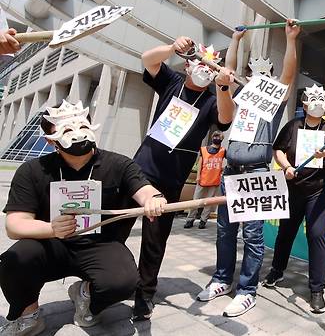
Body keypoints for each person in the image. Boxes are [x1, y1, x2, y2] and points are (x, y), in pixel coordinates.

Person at [0, 100, 167, 335]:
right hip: (49, 244)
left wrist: (154, 198)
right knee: (15, 259)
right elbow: (14, 225)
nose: (77, 134)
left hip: (101, 244)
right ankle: (29, 315)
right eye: (67, 129)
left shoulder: (119, 164)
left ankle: (86, 297)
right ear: (50, 140)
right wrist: (51, 229)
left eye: (81, 125)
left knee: (123, 281)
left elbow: (144, 190)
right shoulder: (31, 170)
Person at [196, 20, 300, 317]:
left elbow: (289, 75)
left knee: (252, 235)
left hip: (256, 172)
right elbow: (226, 75)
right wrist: (236, 40)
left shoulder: (272, 103)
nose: (258, 79)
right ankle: (221, 279)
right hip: (231, 169)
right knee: (225, 231)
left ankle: (247, 290)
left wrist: (290, 40)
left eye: (264, 75)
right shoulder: (240, 101)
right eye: (253, 74)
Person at [130, 37, 235, 320]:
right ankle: (105, 278)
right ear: (188, 65)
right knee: (118, 226)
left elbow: (226, 119)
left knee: (155, 240)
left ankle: (145, 293)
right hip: (141, 168)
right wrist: (171, 48)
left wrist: (223, 86)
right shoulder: (172, 82)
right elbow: (148, 58)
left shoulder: (212, 99)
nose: (204, 70)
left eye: (210, 68)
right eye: (199, 63)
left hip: (171, 178)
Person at [262, 84, 325, 313]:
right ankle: (277, 270)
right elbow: (278, 150)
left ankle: (317, 289)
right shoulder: (293, 126)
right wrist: (286, 166)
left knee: (317, 234)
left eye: (321, 100)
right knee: (285, 232)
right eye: (312, 100)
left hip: (320, 190)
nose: (317, 105)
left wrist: (323, 152)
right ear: (304, 104)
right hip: (293, 188)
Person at [184, 130, 226, 229]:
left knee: (209, 202)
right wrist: (198, 176)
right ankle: (190, 219)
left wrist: (222, 169)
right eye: (215, 136)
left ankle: (203, 220)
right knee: (195, 200)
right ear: (212, 138)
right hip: (203, 179)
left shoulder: (223, 151)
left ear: (222, 139)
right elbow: (200, 164)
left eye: (219, 137)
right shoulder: (203, 149)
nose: (216, 138)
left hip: (214, 180)